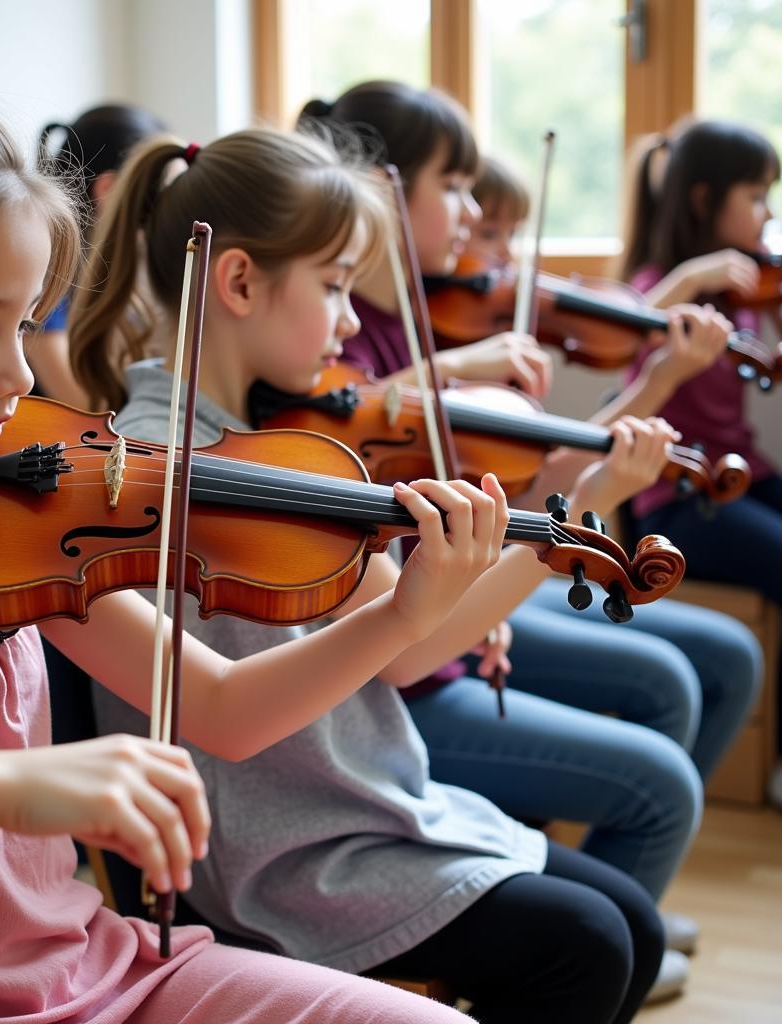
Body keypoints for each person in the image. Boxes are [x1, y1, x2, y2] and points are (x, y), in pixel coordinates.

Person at [0, 52, 510, 1024]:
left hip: (103, 966)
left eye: (26, 324)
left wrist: (403, 612)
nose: (21, 378)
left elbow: (224, 707)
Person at [77, 125, 672, 1024]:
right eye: (334, 286)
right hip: (269, 850)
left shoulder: (289, 448)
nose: (353, 322)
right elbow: (361, 662)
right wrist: (557, 520)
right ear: (238, 282)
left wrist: (568, 506)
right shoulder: (157, 466)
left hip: (357, 800)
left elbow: (408, 645)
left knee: (632, 928)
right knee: (587, 946)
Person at [303, 80, 762, 993]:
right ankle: (583, 933)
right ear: (384, 188)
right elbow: (372, 451)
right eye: (458, 191)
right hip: (411, 670)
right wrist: (453, 378)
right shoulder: (350, 359)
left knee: (692, 673)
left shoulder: (409, 324)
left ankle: (604, 908)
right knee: (666, 721)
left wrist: (647, 399)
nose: (479, 232)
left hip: (445, 627)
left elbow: (526, 481)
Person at [618, 117, 782, 803]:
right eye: (756, 195)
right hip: (679, 498)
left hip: (743, 475)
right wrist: (689, 278)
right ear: (703, 198)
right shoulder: (663, 287)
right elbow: (623, 338)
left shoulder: (748, 292)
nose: (768, 212)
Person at [32, 103, 168, 408]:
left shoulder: (113, 267)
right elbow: (89, 405)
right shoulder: (45, 272)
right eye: (161, 193)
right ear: (108, 190)